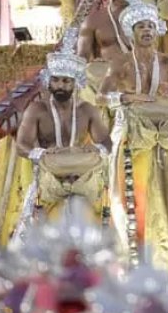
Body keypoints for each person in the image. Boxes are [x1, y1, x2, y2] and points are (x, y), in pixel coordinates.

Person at [101, 0, 168, 270]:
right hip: (131, 134)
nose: (147, 31)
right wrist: (128, 98)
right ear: (132, 32)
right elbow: (101, 96)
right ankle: (131, 251)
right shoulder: (120, 63)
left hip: (165, 135)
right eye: (141, 27)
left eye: (151, 26)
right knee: (130, 194)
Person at [15, 48, 112, 226]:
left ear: (76, 82)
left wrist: (97, 148)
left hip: (82, 181)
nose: (60, 85)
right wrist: (42, 153)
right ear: (48, 81)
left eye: (66, 81)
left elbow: (107, 143)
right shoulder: (37, 109)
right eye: (55, 80)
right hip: (48, 183)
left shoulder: (87, 110)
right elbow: (21, 145)